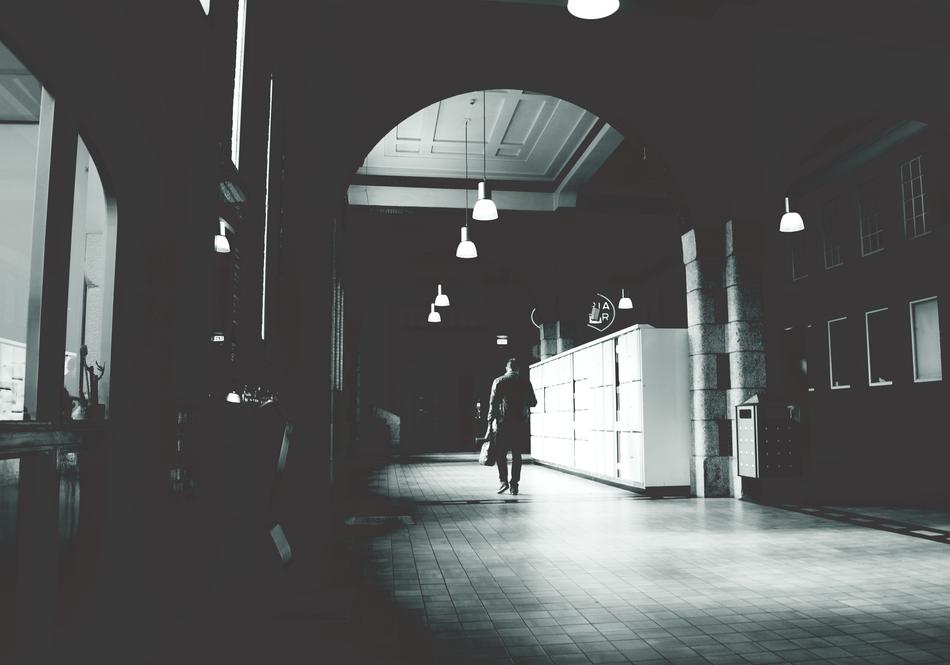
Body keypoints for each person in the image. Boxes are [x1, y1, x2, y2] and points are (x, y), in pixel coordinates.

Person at [486, 357, 537, 495]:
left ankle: (504, 482)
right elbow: (533, 402)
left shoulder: (499, 381)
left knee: (500, 454)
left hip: (503, 424)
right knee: (516, 455)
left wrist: (490, 421)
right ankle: (515, 485)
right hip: (519, 424)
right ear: (518, 369)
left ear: (507, 368)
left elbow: (493, 403)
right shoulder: (525, 382)